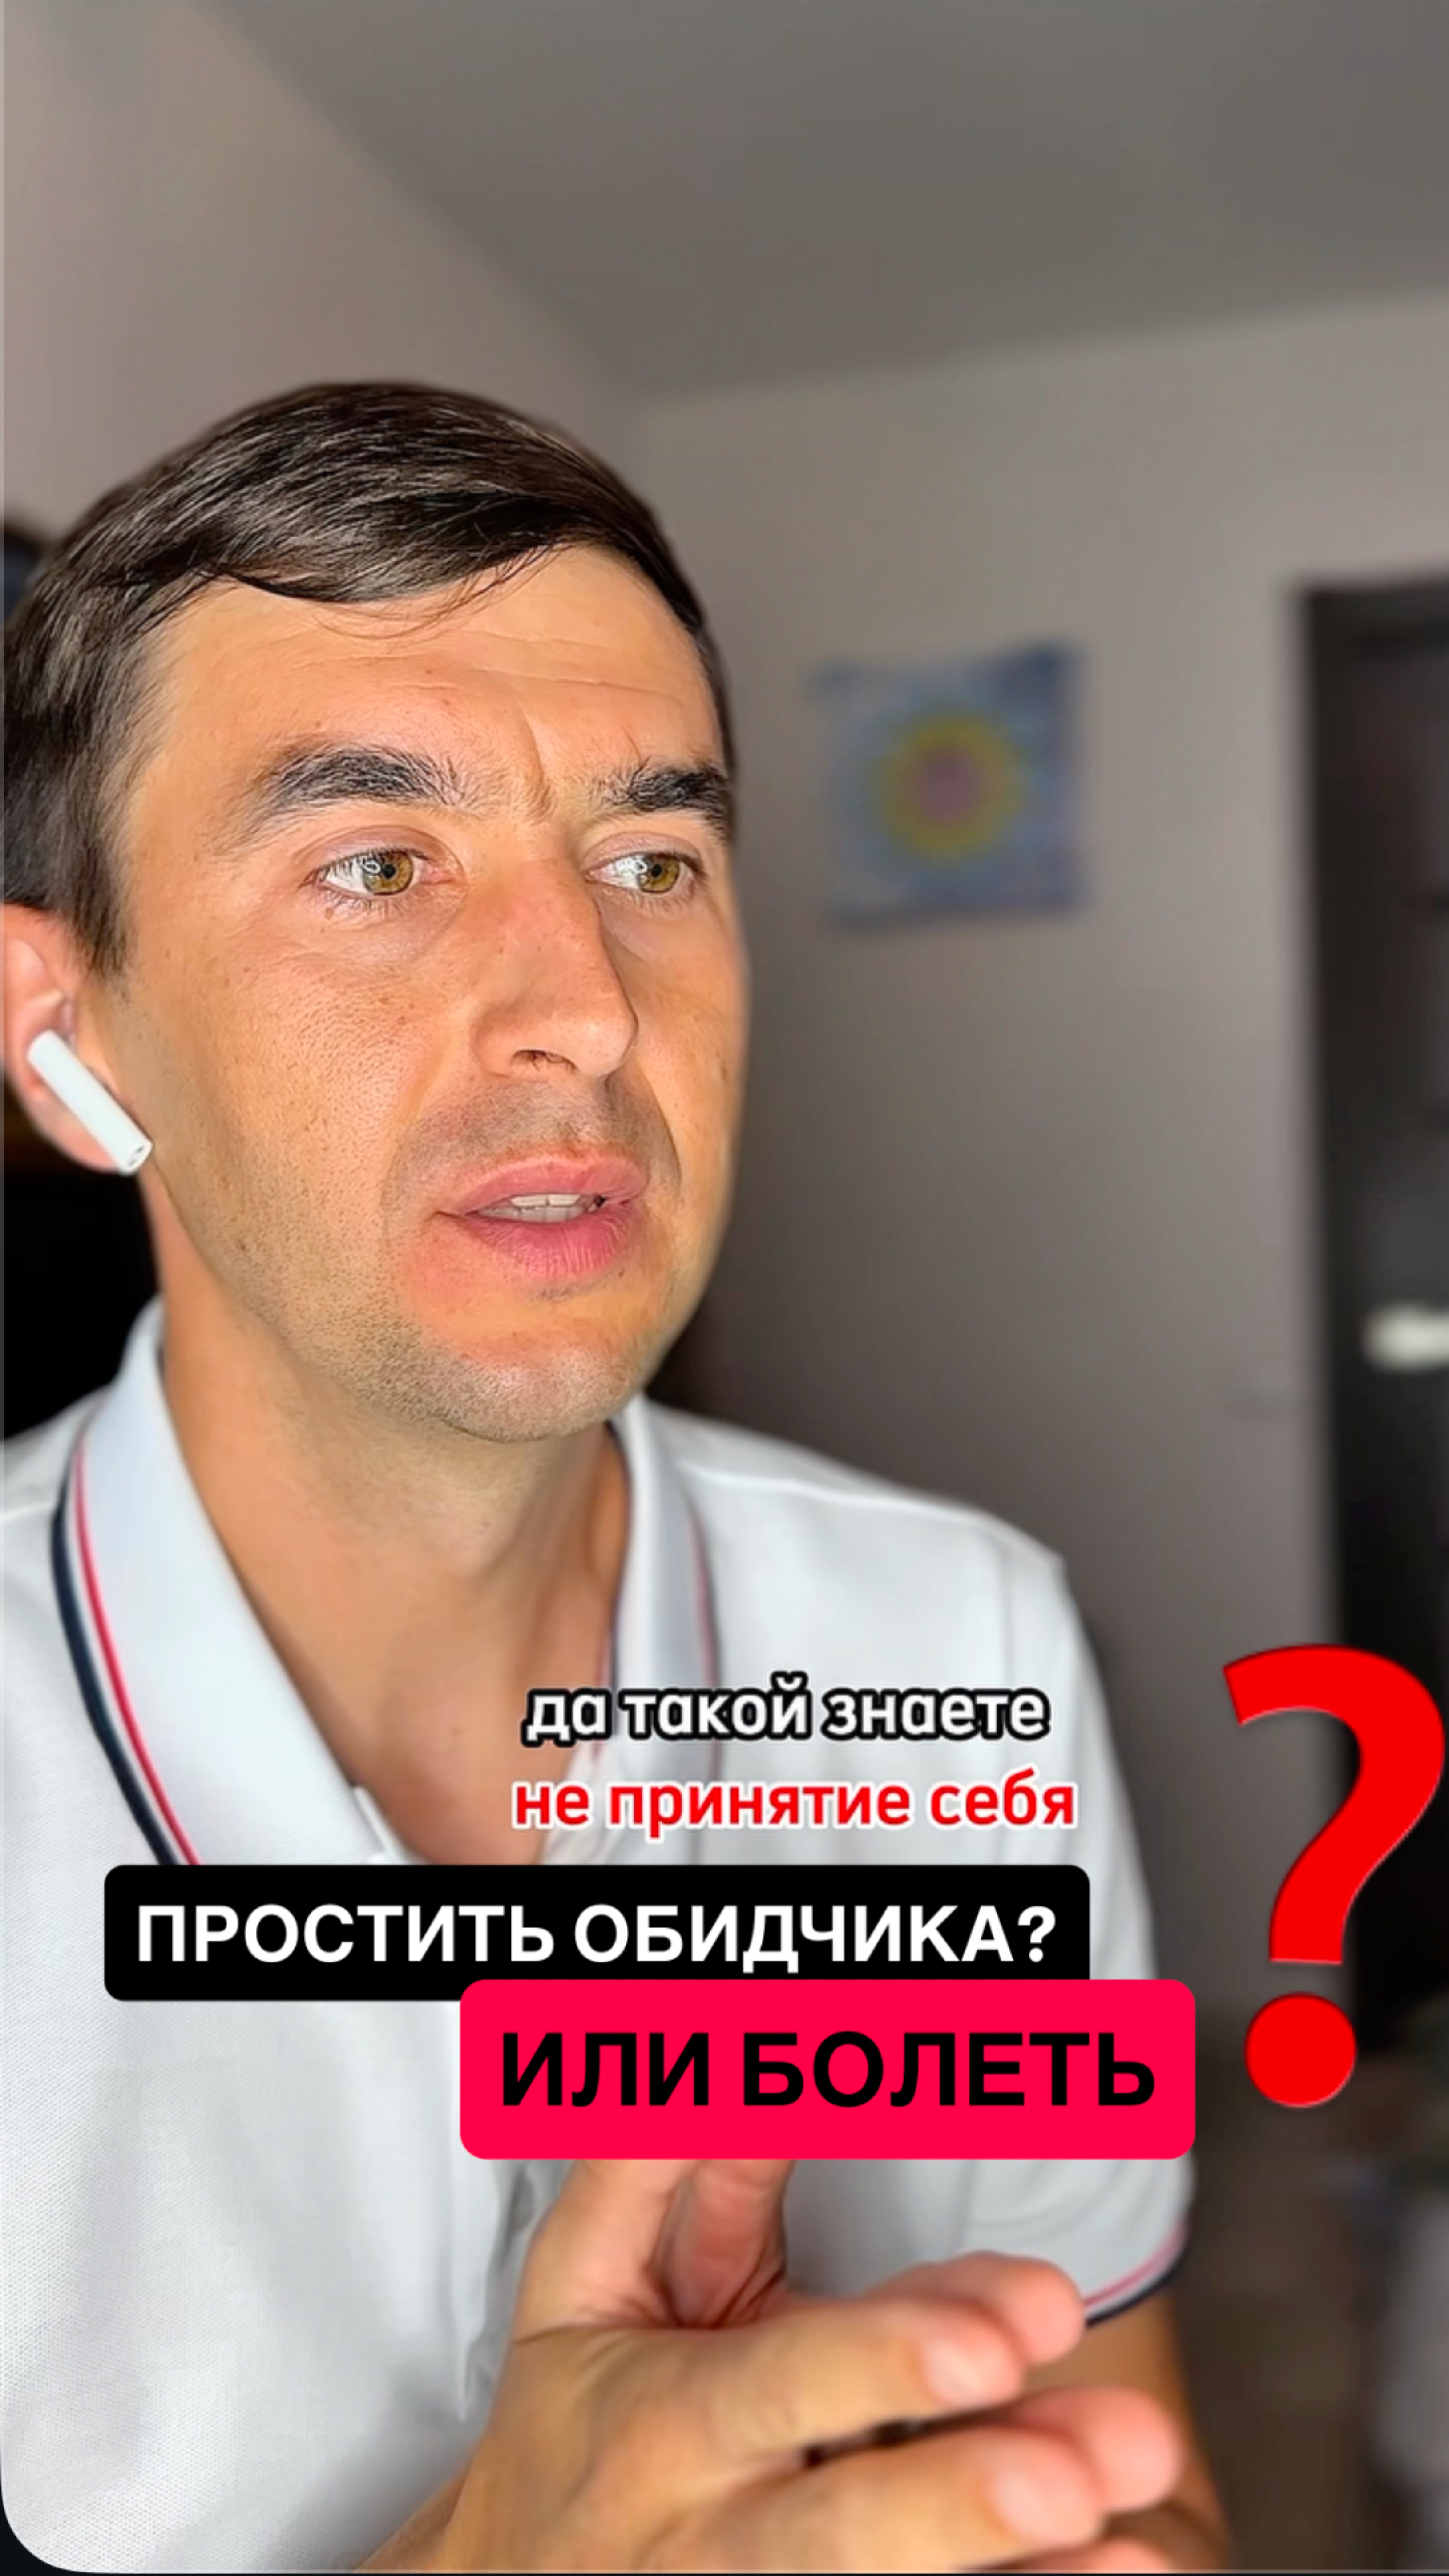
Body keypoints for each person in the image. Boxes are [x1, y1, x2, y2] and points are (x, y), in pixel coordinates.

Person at [2, 383, 1225, 2573]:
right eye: (377, 866)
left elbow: (1128, 2466)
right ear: (65, 1030)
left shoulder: (955, 1639)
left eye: (652, 861)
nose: (580, 1002)